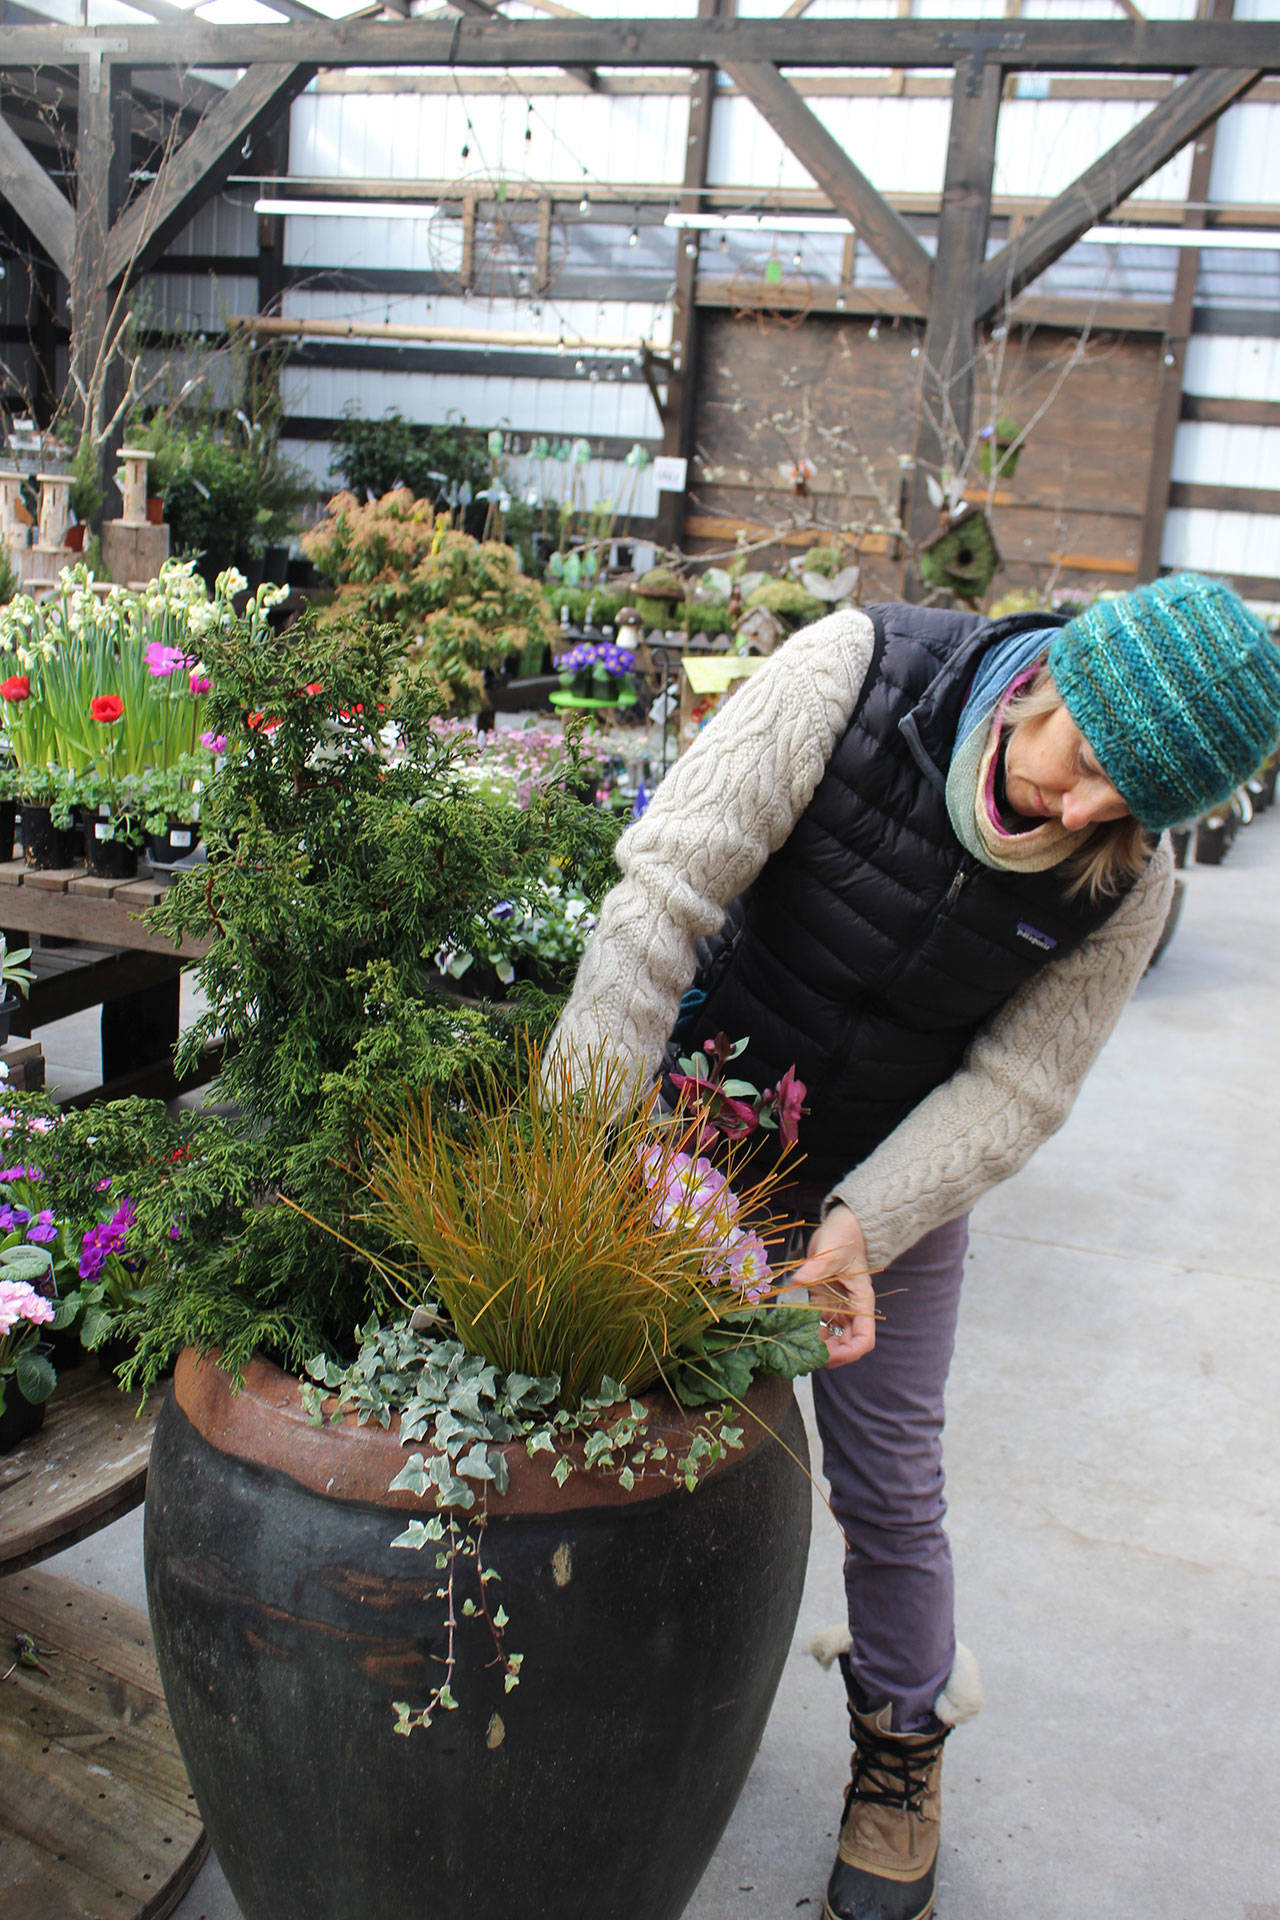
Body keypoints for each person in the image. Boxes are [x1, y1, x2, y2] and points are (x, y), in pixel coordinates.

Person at [547, 571, 1280, 1920]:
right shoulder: (852, 677)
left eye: (1138, 806)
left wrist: (864, 1225)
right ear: (1054, 678)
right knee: (613, 1411)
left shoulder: (1125, 883)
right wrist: (582, 1151)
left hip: (886, 1180)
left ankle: (898, 1757)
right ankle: (576, 1687)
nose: (1087, 813)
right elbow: (664, 897)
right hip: (693, 1124)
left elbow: (1018, 1088)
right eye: (1093, 765)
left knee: (890, 1485)